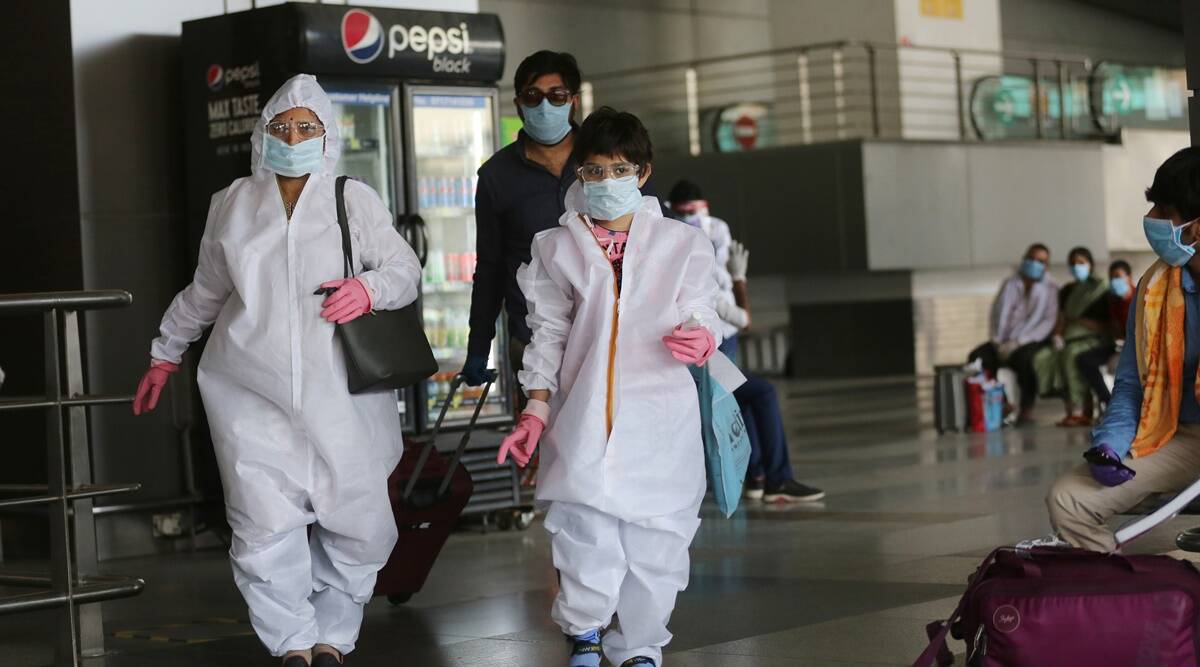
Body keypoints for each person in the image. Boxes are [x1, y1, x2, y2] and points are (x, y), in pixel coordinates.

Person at [130, 75, 422, 667]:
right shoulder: (233, 203)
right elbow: (206, 293)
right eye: (281, 127)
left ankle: (334, 637)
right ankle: (291, 642)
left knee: (361, 523)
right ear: (263, 135)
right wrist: (166, 351)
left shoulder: (351, 198)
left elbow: (404, 268)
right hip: (248, 390)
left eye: (306, 127)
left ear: (327, 135)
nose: (293, 137)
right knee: (262, 524)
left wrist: (368, 289)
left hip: (341, 394)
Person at [496, 107, 719, 667]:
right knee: (583, 529)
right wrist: (535, 410)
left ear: (642, 173)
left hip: (660, 419)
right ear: (578, 176)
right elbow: (547, 334)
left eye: (619, 170)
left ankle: (640, 646)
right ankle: (587, 635)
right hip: (583, 414)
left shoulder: (681, 245)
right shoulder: (555, 247)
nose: (605, 182)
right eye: (593, 172)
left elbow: (701, 309)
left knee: (658, 541)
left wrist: (702, 336)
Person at [1047, 147, 1200, 553]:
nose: (1151, 221)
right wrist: (1111, 444)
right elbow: (1132, 383)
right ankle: (1119, 602)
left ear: (1196, 228)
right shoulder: (1153, 289)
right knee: (1070, 500)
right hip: (1177, 436)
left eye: (1164, 210)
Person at [462, 51, 583, 390]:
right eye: (533, 96)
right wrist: (478, 347)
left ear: (573, 102)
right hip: (532, 341)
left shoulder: (604, 159)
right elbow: (490, 267)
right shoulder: (496, 176)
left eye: (556, 95)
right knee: (540, 438)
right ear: (518, 104)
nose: (545, 105)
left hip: (605, 335)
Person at [694, 230, 824, 503]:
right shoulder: (694, 282)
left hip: (692, 368)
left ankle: (757, 477)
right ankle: (776, 479)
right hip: (699, 370)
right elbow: (745, 319)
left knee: (745, 395)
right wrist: (739, 279)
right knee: (761, 392)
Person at [968, 244, 1059, 423]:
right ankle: (1000, 401)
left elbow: (1048, 321)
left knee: (1024, 360)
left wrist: (1018, 342)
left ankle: (1026, 407)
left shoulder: (1051, 288)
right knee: (978, 358)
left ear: (1047, 265)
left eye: (1040, 261)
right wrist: (996, 341)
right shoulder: (1010, 283)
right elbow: (996, 312)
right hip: (1002, 339)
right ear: (1024, 259)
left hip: (1030, 339)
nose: (1034, 263)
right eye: (1031, 258)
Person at [1034, 247, 1111, 427]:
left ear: (1090, 264)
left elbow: (1105, 324)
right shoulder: (1067, 290)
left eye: (1081, 263)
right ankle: (1068, 406)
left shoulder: (1100, 289)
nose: (1077, 267)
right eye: (1073, 264)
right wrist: (1057, 336)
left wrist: (1079, 320)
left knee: (1071, 356)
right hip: (1068, 338)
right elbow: (1062, 318)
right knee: (1044, 357)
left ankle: (1083, 410)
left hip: (1093, 339)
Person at [668, 180, 738, 357]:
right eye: (679, 213)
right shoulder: (669, 231)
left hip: (723, 319)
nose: (685, 218)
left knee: (725, 381)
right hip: (690, 319)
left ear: (703, 207)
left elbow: (724, 279)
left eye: (690, 212)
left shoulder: (718, 229)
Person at [1074, 260, 1134, 409]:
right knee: (1084, 360)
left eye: (1118, 276)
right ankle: (1108, 402)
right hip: (1118, 345)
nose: (1115, 281)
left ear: (1129, 277)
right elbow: (1113, 329)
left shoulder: (1140, 299)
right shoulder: (1113, 301)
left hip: (1136, 348)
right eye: (1112, 277)